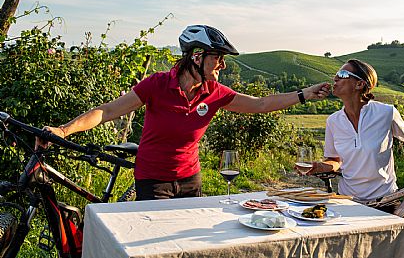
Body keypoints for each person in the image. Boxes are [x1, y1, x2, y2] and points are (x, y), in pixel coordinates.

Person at [36, 24, 330, 201]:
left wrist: (304, 95)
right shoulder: (158, 84)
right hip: (153, 181)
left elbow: (260, 104)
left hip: (191, 179)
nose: (222, 66)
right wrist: (63, 130)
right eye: (218, 58)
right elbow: (107, 110)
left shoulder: (214, 93)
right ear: (197, 56)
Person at [297, 59, 404, 213]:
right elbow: (335, 160)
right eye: (335, 75)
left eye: (342, 74)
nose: (335, 79)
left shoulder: (385, 112)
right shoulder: (333, 121)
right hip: (348, 201)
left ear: (360, 84)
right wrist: (319, 167)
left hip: (386, 200)